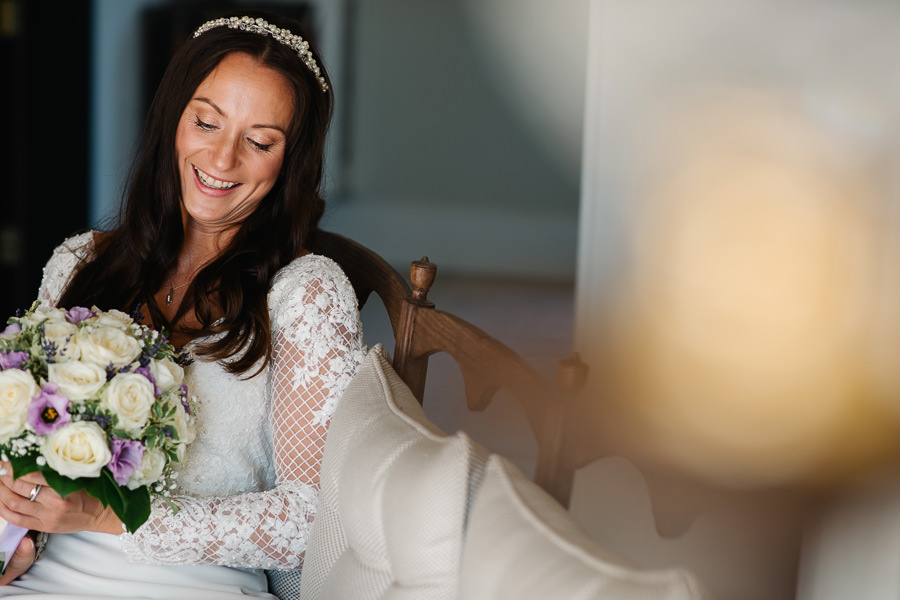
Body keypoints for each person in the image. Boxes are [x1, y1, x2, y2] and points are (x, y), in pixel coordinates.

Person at [0, 12, 366, 599]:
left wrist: (112, 517)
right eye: (207, 122)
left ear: (289, 162)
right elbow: (22, 447)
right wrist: (15, 534)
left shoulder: (306, 295)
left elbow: (315, 517)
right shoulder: (79, 264)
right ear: (174, 117)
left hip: (192, 586)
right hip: (40, 574)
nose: (222, 160)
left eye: (260, 141)